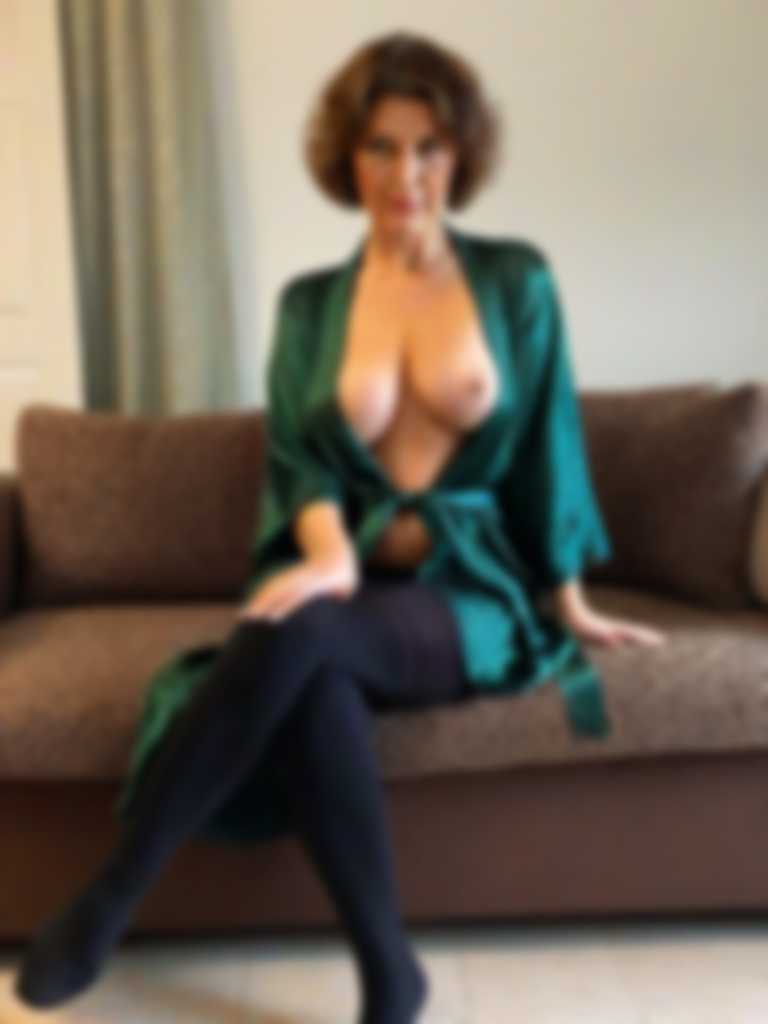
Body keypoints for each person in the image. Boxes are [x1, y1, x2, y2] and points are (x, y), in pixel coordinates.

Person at [14, 29, 666, 1024]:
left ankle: (108, 903)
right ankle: (388, 972)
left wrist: (571, 600)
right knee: (312, 666)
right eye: (380, 147)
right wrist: (326, 555)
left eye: (428, 147)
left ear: (460, 153)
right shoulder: (309, 307)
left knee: (297, 638)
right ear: (345, 158)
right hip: (348, 578)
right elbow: (298, 460)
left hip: (466, 591)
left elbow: (549, 442)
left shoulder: (516, 281)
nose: (406, 174)